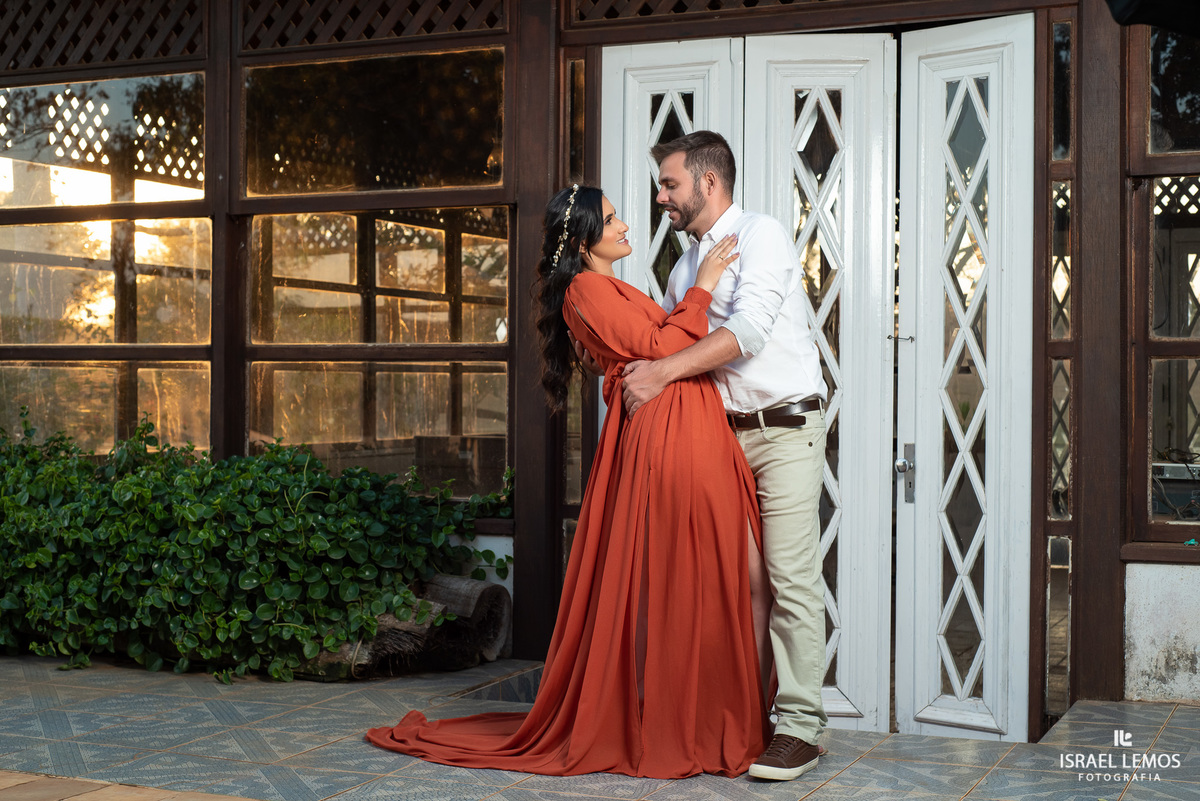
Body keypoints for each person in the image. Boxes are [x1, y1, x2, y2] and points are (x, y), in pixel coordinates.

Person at [365, 184, 773, 779]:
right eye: (611, 220)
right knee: (690, 572)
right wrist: (705, 284)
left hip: (687, 422)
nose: (627, 225)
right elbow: (662, 346)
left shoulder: (614, 286)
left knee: (726, 570)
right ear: (582, 240)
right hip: (667, 430)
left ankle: (723, 715)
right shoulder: (584, 290)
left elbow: (660, 350)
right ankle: (687, 721)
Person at [618, 131, 829, 781]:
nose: (660, 197)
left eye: (669, 183)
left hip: (786, 428)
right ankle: (742, 715)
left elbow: (750, 332)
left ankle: (800, 726)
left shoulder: (762, 233)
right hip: (719, 435)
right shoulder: (686, 269)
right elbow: (673, 341)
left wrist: (657, 374)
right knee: (735, 582)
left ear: (709, 182)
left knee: (789, 577)